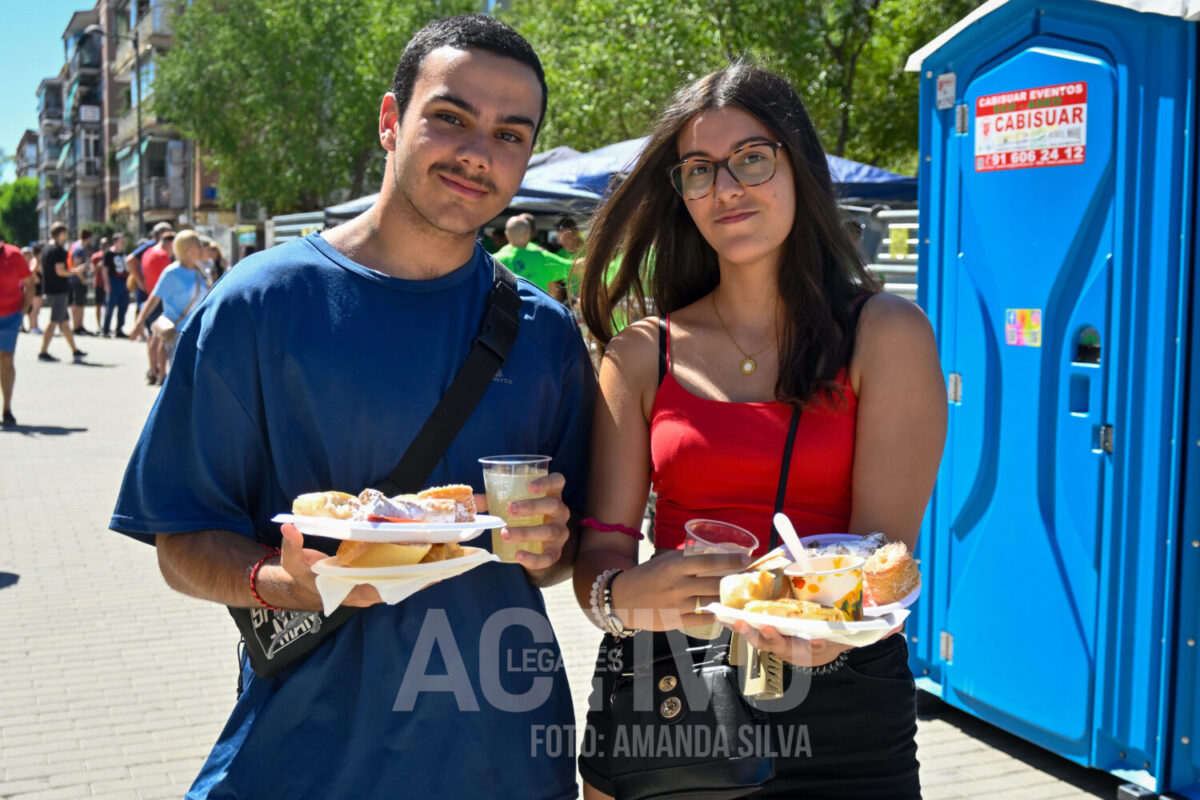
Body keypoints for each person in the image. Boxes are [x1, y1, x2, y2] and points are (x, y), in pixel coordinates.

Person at [110, 15, 594, 800]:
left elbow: (560, 559)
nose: (479, 152)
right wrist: (280, 579)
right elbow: (181, 540)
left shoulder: (544, 334)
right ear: (389, 121)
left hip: (501, 756)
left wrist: (551, 544)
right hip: (304, 757)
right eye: (450, 117)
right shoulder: (258, 307)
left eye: (511, 133)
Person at [572, 62, 947, 799]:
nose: (727, 188)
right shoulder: (643, 352)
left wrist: (832, 626)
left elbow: (882, 562)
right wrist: (621, 597)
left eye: (751, 157)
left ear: (799, 165)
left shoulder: (885, 333)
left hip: (842, 705)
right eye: (699, 171)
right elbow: (602, 555)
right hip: (666, 693)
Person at [130, 230, 211, 375]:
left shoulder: (199, 272)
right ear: (187, 249)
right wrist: (138, 323)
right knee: (182, 380)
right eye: (197, 245)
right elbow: (154, 299)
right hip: (179, 336)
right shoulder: (171, 273)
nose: (201, 248)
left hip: (198, 334)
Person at [494, 214, 572, 301]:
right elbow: (572, 267)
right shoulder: (541, 256)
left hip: (505, 312)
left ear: (506, 234)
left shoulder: (493, 260)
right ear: (528, 234)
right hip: (537, 311)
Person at [38, 223, 86, 363]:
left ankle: (75, 350)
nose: (66, 236)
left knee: (64, 322)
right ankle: (43, 352)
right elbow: (60, 271)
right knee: (54, 321)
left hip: (51, 289)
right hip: (59, 290)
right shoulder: (58, 250)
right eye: (65, 233)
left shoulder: (46, 249)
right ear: (60, 234)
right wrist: (76, 271)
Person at [0, 232, 35, 426]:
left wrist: (24, 309)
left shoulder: (13, 255)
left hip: (10, 316)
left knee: (6, 359)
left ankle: (6, 409)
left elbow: (30, 283)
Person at [138, 224, 175, 384]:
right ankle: (162, 374)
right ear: (169, 242)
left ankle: (153, 371)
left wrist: (142, 284)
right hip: (161, 301)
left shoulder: (147, 252)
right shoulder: (162, 256)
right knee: (161, 339)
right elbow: (170, 281)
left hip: (150, 296)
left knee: (153, 337)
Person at [102, 234, 131, 337]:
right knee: (110, 307)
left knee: (123, 306)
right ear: (115, 241)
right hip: (114, 281)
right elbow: (105, 269)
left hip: (124, 282)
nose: (123, 243)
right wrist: (106, 283)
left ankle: (119, 329)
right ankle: (106, 329)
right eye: (121, 241)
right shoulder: (109, 253)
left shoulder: (124, 253)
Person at [68, 228, 95, 335]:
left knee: (78, 304)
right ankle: (78, 327)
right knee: (79, 305)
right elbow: (77, 266)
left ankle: (78, 326)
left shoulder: (74, 246)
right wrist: (83, 280)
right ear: (88, 238)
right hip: (77, 280)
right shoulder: (79, 249)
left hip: (73, 279)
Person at [91, 237, 109, 333]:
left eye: (106, 244)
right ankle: (99, 326)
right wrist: (99, 266)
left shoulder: (110, 255)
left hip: (109, 284)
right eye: (103, 244)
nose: (104, 246)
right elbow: (92, 272)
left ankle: (106, 326)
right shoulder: (96, 256)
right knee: (99, 305)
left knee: (108, 307)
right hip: (99, 284)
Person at [24, 245, 43, 334]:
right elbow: (31, 271)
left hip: (36, 287)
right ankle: (34, 327)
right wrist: (35, 277)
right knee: (35, 309)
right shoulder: (36, 261)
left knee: (35, 309)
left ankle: (33, 326)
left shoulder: (33, 260)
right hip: (36, 288)